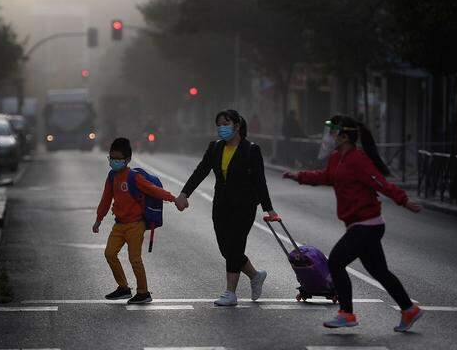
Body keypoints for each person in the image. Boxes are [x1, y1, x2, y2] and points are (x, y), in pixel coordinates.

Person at [283, 114, 424, 332]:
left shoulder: (358, 159)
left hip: (367, 224)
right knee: (379, 271)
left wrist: (404, 200)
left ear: (345, 136)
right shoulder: (337, 158)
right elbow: (325, 177)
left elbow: (380, 183)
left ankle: (347, 313)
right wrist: (298, 176)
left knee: (336, 262)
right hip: (360, 225)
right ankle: (408, 309)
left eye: (334, 131)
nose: (330, 136)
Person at [176, 109, 278, 306]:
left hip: (245, 206)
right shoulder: (215, 148)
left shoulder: (251, 150)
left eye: (226, 123)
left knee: (235, 246)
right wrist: (184, 194)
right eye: (219, 124)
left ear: (237, 125)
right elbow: (200, 171)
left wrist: (269, 209)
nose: (222, 128)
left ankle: (230, 293)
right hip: (221, 205)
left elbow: (259, 181)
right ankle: (255, 276)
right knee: (226, 248)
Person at [94, 138, 186, 304]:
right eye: (111, 158)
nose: (114, 162)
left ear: (127, 160)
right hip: (119, 225)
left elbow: (154, 190)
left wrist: (173, 199)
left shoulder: (134, 177)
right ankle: (123, 288)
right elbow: (106, 198)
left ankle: (143, 292)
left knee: (134, 258)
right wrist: (99, 219)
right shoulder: (112, 176)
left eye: (117, 159)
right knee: (109, 253)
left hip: (136, 225)